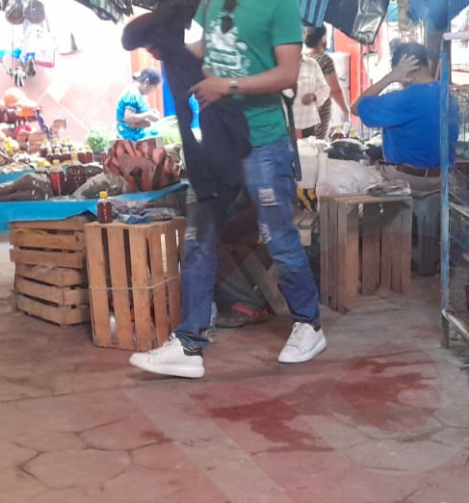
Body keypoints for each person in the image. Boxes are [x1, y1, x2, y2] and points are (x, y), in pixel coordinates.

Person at [128, 0, 326, 379]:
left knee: (279, 238)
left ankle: (309, 324)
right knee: (199, 240)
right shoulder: (210, 4)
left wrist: (227, 85)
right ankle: (189, 344)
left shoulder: (278, 6)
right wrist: (170, 47)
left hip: (264, 141)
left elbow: (288, 75)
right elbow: (211, 49)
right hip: (218, 140)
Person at [352, 41, 459, 192]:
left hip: (409, 180)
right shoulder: (448, 94)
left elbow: (356, 107)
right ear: (427, 63)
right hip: (444, 179)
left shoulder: (403, 99)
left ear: (406, 69)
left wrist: (390, 77)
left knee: (355, 176)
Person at [304, 26, 350, 139]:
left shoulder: (301, 59)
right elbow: (334, 90)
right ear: (322, 39)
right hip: (318, 113)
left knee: (305, 144)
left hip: (302, 113)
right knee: (316, 144)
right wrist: (345, 111)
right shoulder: (324, 60)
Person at [290, 53, 331, 137]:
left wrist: (313, 97)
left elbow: (325, 88)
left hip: (308, 122)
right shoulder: (280, 64)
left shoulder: (311, 64)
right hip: (287, 123)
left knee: (309, 145)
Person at [116, 68, 162, 141]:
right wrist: (148, 115)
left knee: (156, 132)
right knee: (156, 137)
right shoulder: (132, 93)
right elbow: (128, 118)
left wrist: (148, 117)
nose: (153, 91)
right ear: (146, 82)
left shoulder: (139, 94)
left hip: (135, 130)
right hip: (127, 132)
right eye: (154, 88)